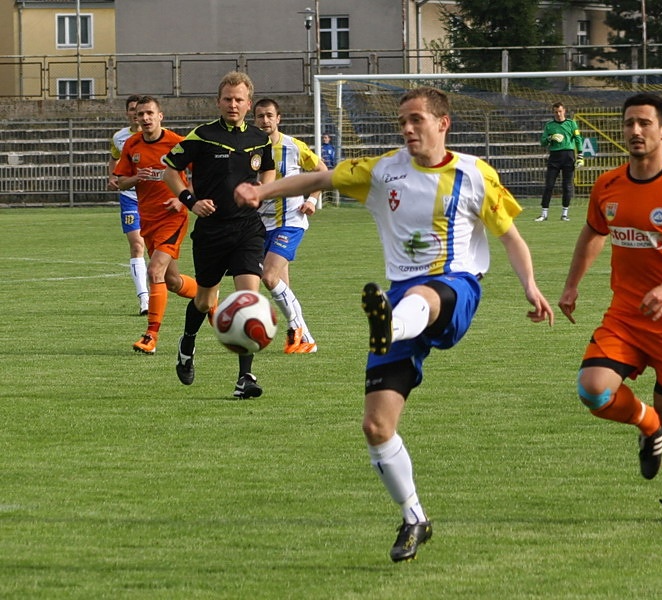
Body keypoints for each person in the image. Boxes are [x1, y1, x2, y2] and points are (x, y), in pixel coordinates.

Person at [235, 86, 554, 561]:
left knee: (425, 295)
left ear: (443, 123)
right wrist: (262, 189)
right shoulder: (383, 170)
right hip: (397, 295)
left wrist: (529, 284)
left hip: (455, 285)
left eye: (417, 120)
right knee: (376, 425)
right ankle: (414, 518)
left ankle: (390, 323)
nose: (407, 128)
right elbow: (317, 181)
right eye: (402, 121)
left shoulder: (474, 174)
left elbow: (511, 237)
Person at [558, 93, 662, 525]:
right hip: (627, 315)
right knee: (593, 389)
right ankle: (644, 422)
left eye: (645, 124)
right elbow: (594, 232)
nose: (635, 131)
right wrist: (572, 285)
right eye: (630, 123)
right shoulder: (608, 185)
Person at [162, 71, 275, 399]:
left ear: (248, 103)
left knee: (247, 300)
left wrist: (263, 191)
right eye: (227, 99)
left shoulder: (258, 137)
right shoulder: (203, 136)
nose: (233, 104)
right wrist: (191, 202)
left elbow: (267, 166)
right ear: (218, 101)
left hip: (248, 229)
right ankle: (187, 343)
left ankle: (245, 378)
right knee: (205, 300)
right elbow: (170, 170)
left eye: (239, 99)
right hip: (212, 231)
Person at [114, 95, 198, 355]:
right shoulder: (132, 144)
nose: (146, 118)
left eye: (150, 113)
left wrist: (181, 199)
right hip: (147, 218)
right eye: (141, 114)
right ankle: (209, 298)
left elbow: (202, 176)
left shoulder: (177, 143)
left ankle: (151, 335)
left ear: (160, 116)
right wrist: (136, 176)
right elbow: (121, 182)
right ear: (135, 118)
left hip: (172, 218)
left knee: (154, 272)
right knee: (172, 280)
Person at [252, 98, 327, 354]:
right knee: (280, 285)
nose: (265, 121)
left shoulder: (293, 146)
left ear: (278, 118)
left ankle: (297, 330)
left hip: (291, 221)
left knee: (269, 277)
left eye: (269, 116)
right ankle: (305, 338)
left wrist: (312, 199)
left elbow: (321, 170)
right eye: (260, 116)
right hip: (261, 224)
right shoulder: (248, 148)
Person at [107, 94, 149, 315]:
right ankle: (144, 299)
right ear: (128, 113)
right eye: (133, 110)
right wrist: (113, 176)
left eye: (141, 110)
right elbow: (114, 159)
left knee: (158, 252)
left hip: (153, 199)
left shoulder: (156, 136)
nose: (137, 114)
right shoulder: (120, 137)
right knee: (137, 245)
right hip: (130, 197)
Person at [536, 101, 583, 222]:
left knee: (567, 186)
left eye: (560, 111)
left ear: (564, 111)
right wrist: (550, 138)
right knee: (549, 185)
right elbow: (542, 142)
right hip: (554, 157)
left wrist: (580, 156)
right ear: (553, 112)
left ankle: (564, 214)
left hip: (568, 156)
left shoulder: (571, 123)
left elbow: (578, 139)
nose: (558, 114)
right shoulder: (549, 125)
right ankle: (544, 214)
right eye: (556, 112)